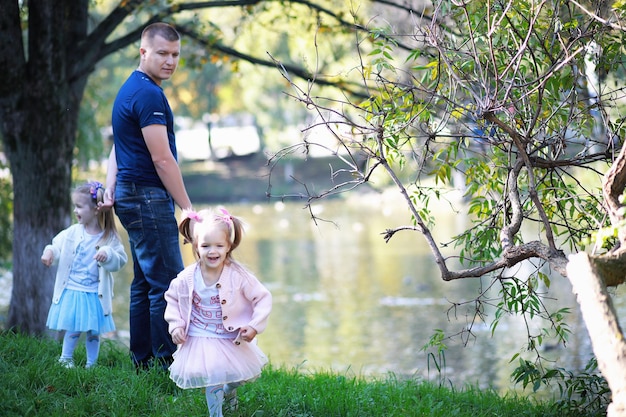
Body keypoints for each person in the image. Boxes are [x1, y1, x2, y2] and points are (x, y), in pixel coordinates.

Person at [101, 22, 193, 369]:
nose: (170, 61)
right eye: (162, 54)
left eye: (175, 54)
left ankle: (143, 363)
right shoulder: (149, 94)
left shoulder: (132, 87)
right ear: (144, 52)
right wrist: (187, 206)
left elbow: (119, 146)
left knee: (144, 283)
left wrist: (111, 185)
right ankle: (169, 365)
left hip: (131, 194)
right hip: (147, 197)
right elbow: (161, 158)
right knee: (168, 284)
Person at [164, 207, 272, 417]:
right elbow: (172, 298)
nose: (212, 251)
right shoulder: (187, 277)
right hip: (201, 335)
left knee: (236, 378)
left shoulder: (238, 275)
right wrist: (175, 324)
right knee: (213, 375)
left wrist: (254, 325)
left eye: (219, 246)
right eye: (206, 246)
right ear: (196, 246)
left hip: (230, 335)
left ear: (228, 246)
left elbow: (263, 297)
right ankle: (216, 414)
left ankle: (229, 391)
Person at [41, 181, 128, 368]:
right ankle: (65, 358)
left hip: (95, 292)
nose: (75, 211)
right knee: (73, 327)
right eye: (74, 206)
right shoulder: (73, 232)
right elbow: (57, 245)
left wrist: (108, 254)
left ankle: (91, 363)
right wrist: (50, 252)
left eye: (79, 206)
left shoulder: (109, 237)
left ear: (96, 209)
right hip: (73, 289)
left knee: (93, 331)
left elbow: (121, 259)